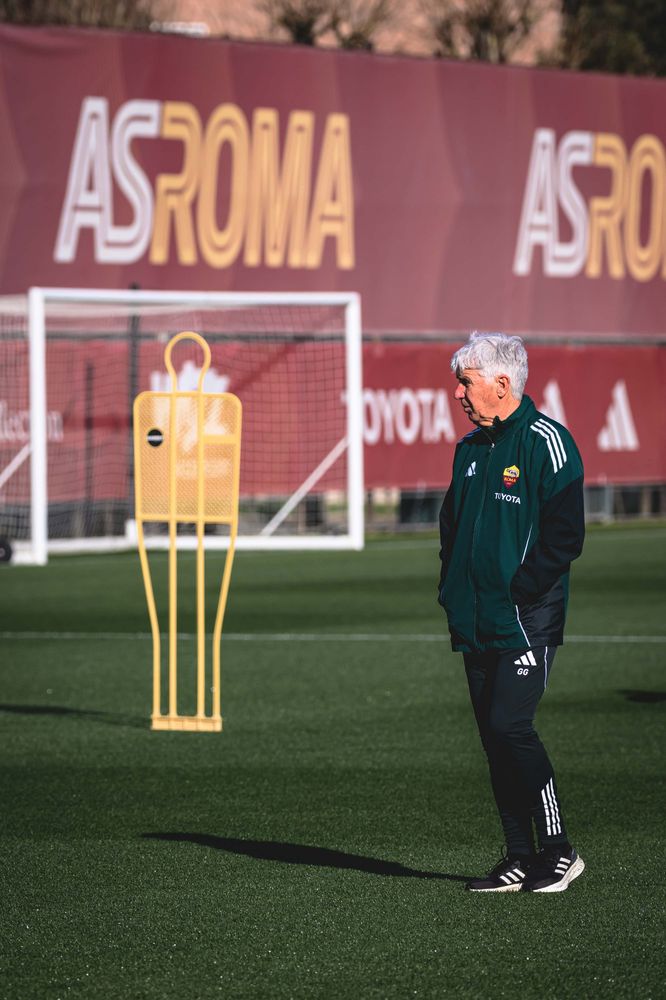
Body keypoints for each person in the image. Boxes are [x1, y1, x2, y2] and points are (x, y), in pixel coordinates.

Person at [438, 332, 585, 893]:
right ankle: (518, 855)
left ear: (501, 384)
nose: (458, 393)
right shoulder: (470, 449)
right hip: (475, 620)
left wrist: (520, 591)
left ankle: (559, 850)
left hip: (526, 619)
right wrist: (452, 588)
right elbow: (452, 528)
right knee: (492, 738)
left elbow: (565, 536)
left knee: (511, 727)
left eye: (466, 382)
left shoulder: (548, 441)